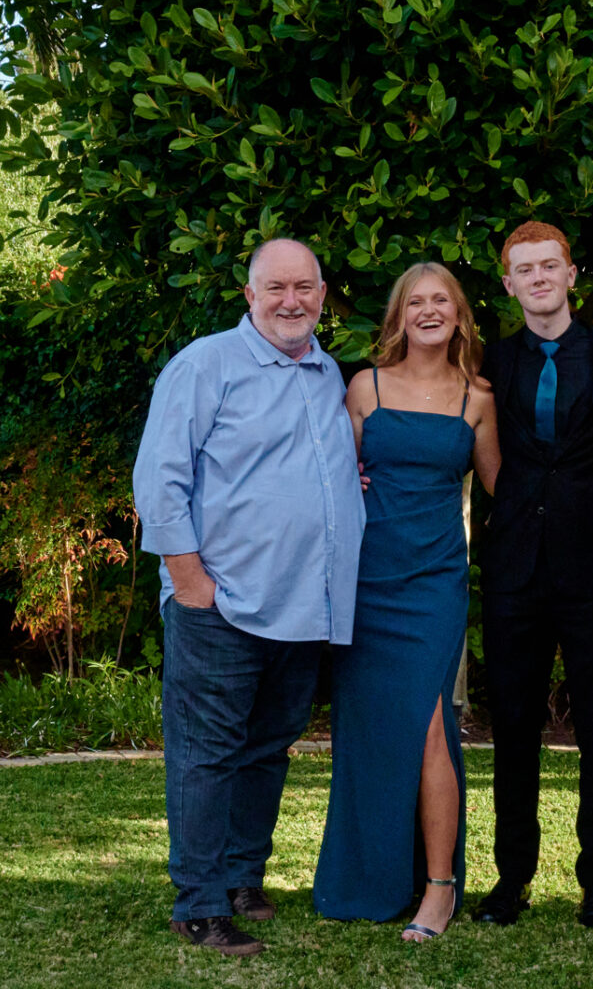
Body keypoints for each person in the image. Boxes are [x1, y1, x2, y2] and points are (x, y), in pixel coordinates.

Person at [133, 238, 365, 957]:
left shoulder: (329, 373)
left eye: (305, 287)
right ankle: (199, 903)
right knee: (205, 755)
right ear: (250, 295)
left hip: (302, 606)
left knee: (266, 749)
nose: (291, 301)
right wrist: (189, 580)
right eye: (276, 288)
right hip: (221, 604)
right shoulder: (206, 365)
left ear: (322, 295)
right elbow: (159, 477)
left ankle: (240, 876)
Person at [473, 221, 593, 930]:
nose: (539, 277)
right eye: (525, 269)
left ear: (572, 274)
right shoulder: (491, 360)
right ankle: (511, 878)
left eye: (550, 265)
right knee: (512, 726)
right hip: (514, 568)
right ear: (509, 284)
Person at [314, 262, 500, 942]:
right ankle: (367, 880)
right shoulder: (363, 387)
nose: (428, 310)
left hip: (435, 584)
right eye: (415, 301)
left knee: (429, 727)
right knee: (368, 730)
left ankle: (440, 888)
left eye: (440, 300)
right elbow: (329, 479)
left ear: (459, 314)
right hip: (366, 581)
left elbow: (504, 491)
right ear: (398, 316)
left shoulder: (477, 397)